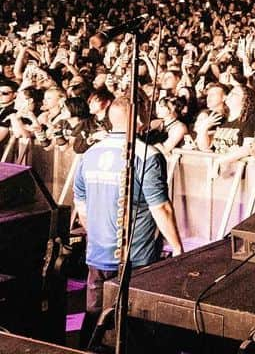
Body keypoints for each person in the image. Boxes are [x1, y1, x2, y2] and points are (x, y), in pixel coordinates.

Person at [72, 96, 184, 347]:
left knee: (95, 323)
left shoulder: (90, 154)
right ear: (140, 118)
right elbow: (161, 207)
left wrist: (99, 236)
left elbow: (82, 208)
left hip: (98, 255)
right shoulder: (148, 155)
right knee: (134, 329)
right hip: (136, 260)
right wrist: (177, 248)